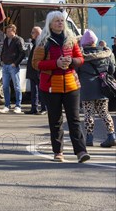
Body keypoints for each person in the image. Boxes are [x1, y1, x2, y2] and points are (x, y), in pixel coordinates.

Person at [32, 10, 90, 163]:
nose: (60, 23)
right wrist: (55, 63)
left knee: (75, 119)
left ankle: (81, 151)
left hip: (71, 85)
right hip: (51, 86)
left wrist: (71, 61)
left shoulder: (71, 39)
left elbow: (80, 59)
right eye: (57, 21)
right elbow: (36, 64)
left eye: (62, 20)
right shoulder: (43, 41)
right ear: (50, 24)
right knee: (55, 120)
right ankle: (58, 152)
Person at [77, 29, 116, 147]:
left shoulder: (81, 56)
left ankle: (89, 138)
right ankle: (111, 135)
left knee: (89, 113)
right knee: (104, 112)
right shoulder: (106, 53)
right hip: (102, 86)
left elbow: (76, 71)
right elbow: (112, 70)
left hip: (87, 87)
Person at [0, 24, 26, 114]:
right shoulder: (6, 40)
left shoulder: (18, 40)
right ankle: (7, 105)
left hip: (13, 65)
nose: (6, 33)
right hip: (5, 65)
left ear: (13, 31)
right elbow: (3, 50)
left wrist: (16, 63)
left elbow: (22, 53)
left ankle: (18, 105)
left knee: (16, 86)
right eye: (6, 31)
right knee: (5, 86)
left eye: (8, 31)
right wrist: (1, 60)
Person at [25, 26, 46, 115]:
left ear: (38, 33)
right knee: (34, 90)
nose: (31, 34)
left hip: (38, 70)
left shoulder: (41, 43)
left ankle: (43, 108)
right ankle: (34, 107)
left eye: (33, 32)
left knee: (41, 90)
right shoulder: (34, 43)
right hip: (32, 70)